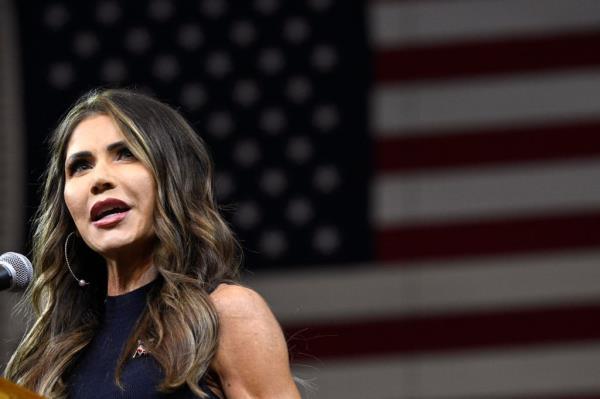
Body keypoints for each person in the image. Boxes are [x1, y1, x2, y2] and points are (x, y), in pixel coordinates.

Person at [4, 89, 302, 398]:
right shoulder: (50, 353)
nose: (99, 179)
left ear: (172, 178)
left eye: (126, 153)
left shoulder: (226, 313)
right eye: (80, 166)